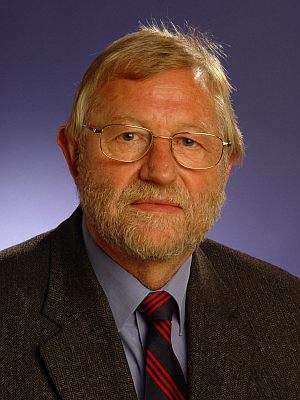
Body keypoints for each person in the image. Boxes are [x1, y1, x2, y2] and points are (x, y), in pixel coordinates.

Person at [0, 22, 299, 400]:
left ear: (227, 165)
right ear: (73, 154)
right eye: (128, 136)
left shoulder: (288, 315)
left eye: (189, 142)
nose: (159, 172)